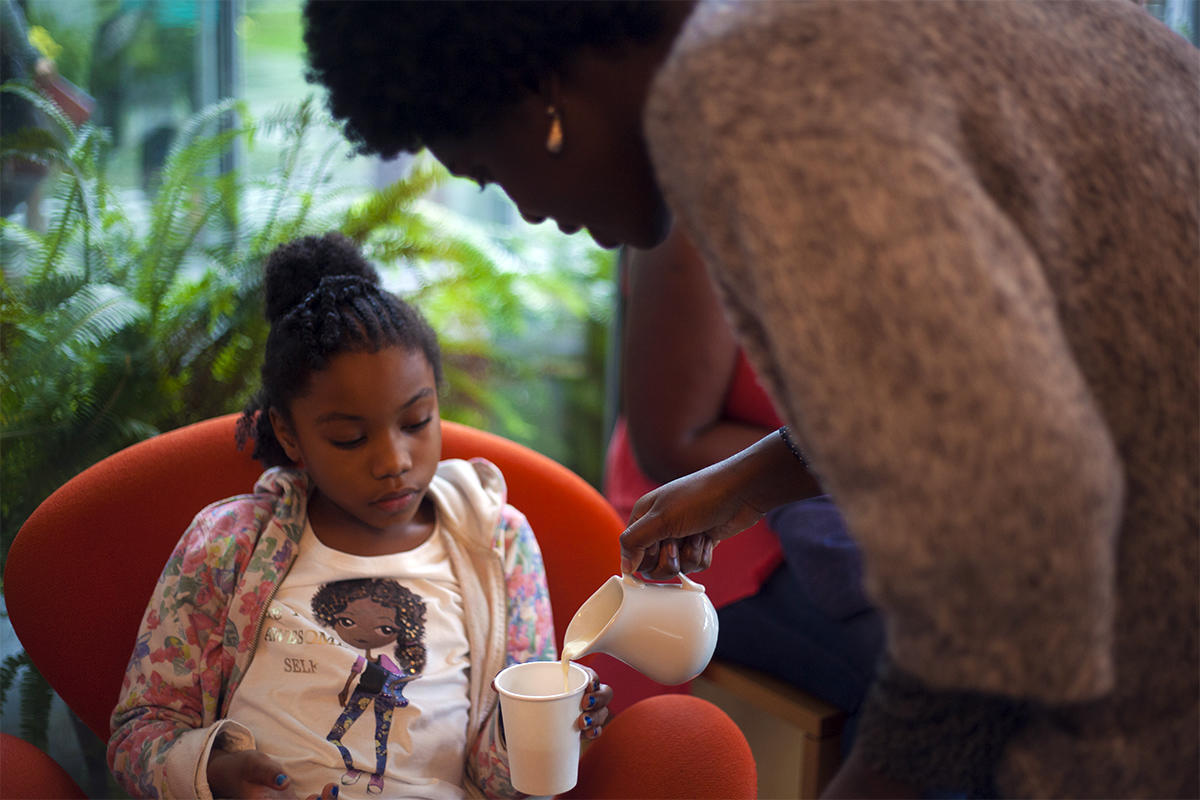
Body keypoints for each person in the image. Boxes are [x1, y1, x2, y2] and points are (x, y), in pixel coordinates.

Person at [301, 3, 1199, 797]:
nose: (527, 211)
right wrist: (752, 482)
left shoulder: (749, 103)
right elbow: (999, 376)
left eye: (487, 170)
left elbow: (1023, 530)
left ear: (542, 94)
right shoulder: (805, 37)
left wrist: (881, 779)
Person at [107, 232, 613, 799]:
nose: (394, 462)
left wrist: (541, 725)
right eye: (350, 438)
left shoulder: (496, 542)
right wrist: (213, 773)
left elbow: (499, 780)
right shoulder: (229, 543)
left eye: (417, 422)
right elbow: (139, 731)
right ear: (289, 436)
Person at [606, 224, 883, 737]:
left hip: (845, 498)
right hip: (701, 522)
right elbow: (674, 444)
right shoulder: (696, 222)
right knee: (925, 663)